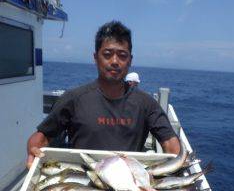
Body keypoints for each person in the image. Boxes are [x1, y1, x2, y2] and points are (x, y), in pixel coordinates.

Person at [26, 20, 180, 168]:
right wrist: (33, 149)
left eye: (122, 55)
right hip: (85, 184)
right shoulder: (73, 99)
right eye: (107, 54)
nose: (115, 61)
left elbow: (170, 143)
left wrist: (176, 163)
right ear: (95, 58)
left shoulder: (146, 103)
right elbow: (42, 137)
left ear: (130, 60)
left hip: (130, 187)